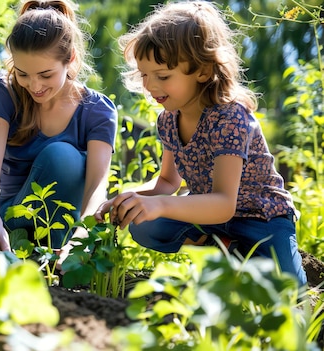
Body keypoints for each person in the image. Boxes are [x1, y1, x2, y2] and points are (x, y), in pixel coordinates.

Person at [94, 1, 307, 286]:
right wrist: (129, 197)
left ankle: (246, 258)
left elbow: (223, 203)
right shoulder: (169, 120)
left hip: (262, 219)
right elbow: (168, 183)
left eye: (163, 76)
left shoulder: (230, 119)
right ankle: (224, 251)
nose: (150, 86)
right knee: (144, 224)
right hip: (211, 218)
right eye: (145, 75)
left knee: (290, 292)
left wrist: (161, 206)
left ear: (203, 72)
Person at [0, 0, 118, 260]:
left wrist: (82, 237)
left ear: (70, 59)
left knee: (64, 157)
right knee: (61, 157)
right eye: (23, 73)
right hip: (13, 224)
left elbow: (97, 186)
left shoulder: (98, 110)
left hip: (68, 232)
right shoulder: (3, 92)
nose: (34, 85)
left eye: (45, 74)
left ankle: (59, 254)